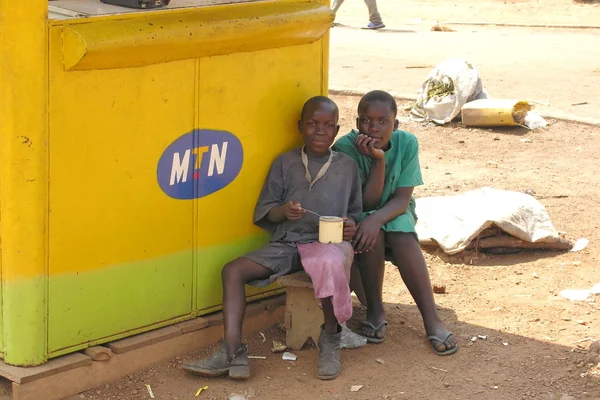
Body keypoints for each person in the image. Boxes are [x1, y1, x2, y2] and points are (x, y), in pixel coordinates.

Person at [183, 96, 363, 380]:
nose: (320, 131)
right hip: (288, 245)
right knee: (232, 271)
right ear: (300, 126)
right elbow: (267, 212)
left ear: (337, 131)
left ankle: (331, 338)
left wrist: (350, 225)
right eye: (313, 124)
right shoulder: (285, 162)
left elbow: (354, 214)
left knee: (328, 262)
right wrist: (284, 211)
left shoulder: (347, 166)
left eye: (328, 126)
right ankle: (232, 351)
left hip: (328, 246)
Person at [332, 90, 458, 356]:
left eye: (383, 121)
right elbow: (365, 204)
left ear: (395, 124)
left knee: (401, 231)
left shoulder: (407, 143)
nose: (374, 128)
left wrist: (378, 218)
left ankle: (431, 318)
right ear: (357, 124)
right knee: (369, 231)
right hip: (362, 214)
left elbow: (402, 199)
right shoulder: (346, 148)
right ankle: (376, 311)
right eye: (366, 121)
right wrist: (377, 161)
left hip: (395, 210)